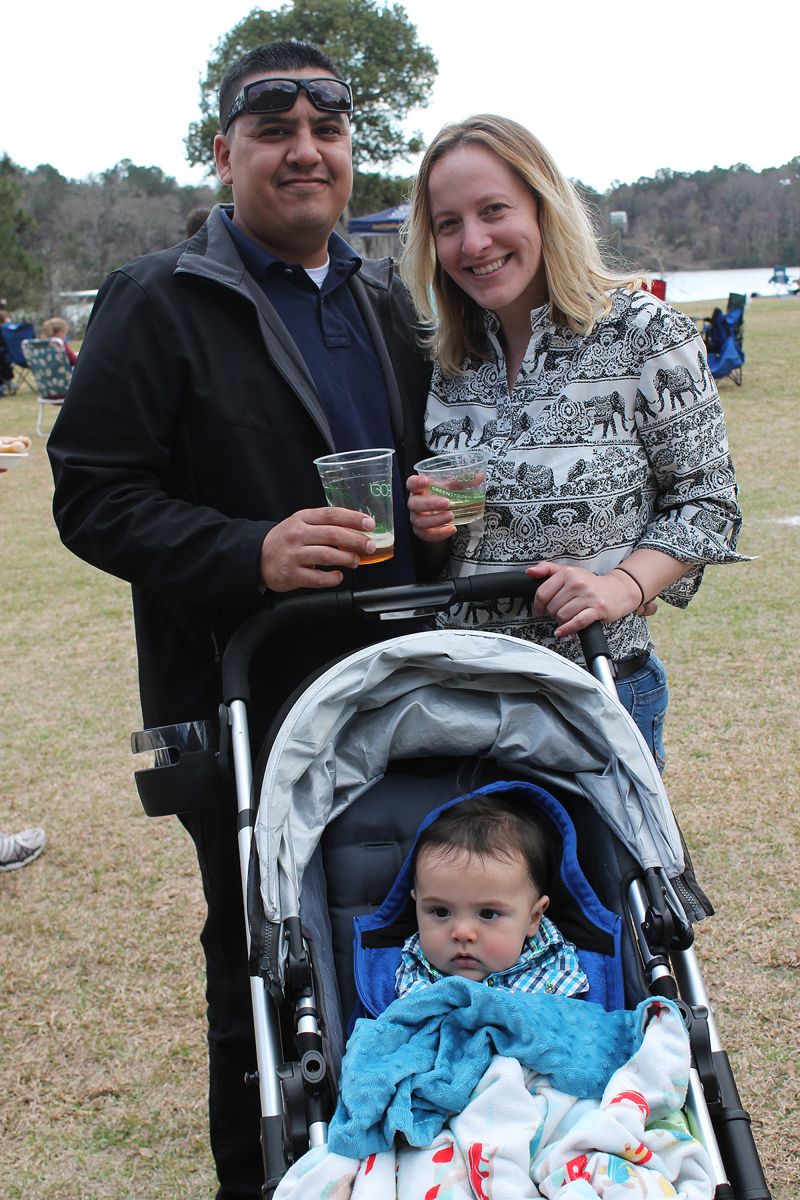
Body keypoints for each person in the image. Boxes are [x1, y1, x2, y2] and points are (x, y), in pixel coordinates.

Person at [47, 39, 432, 1200]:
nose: (304, 151)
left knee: (413, 948)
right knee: (267, 979)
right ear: (225, 154)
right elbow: (95, 496)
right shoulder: (157, 298)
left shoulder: (382, 300)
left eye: (327, 131)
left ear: (351, 154)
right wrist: (250, 553)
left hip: (408, 700)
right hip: (251, 711)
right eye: (274, 132)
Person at [402, 114, 747, 768]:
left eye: (493, 210)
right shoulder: (449, 356)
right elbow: (460, 539)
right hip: (461, 691)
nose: (474, 242)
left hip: (596, 684)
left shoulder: (645, 332)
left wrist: (621, 584)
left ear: (543, 206)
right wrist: (431, 528)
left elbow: (710, 503)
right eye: (449, 224)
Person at [396, 794, 588, 1000]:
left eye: (488, 914)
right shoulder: (407, 971)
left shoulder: (555, 972)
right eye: (440, 911)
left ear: (533, 917)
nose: (462, 933)